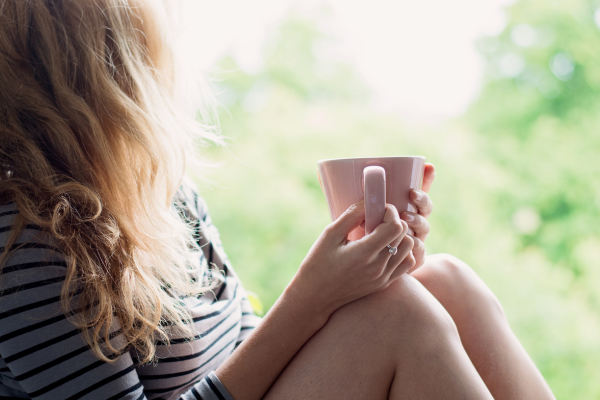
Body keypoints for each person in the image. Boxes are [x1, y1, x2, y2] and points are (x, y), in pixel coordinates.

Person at [0, 1, 556, 399]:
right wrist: (310, 298)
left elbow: (248, 349)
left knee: (442, 281)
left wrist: (354, 272)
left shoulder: (160, 193)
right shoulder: (27, 244)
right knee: (400, 315)